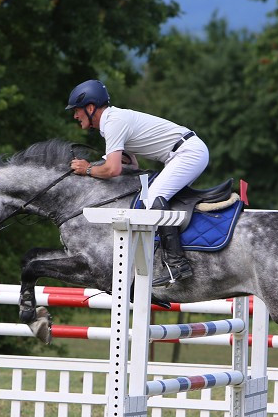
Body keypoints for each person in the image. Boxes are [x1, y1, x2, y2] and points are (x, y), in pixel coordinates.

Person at [65, 79, 209, 287]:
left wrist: (87, 169)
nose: (75, 116)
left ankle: (177, 264)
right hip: (183, 153)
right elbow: (131, 164)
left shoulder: (113, 122)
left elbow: (112, 170)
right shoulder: (113, 121)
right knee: (153, 197)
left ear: (90, 108)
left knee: (152, 197)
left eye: (77, 110)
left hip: (188, 153)